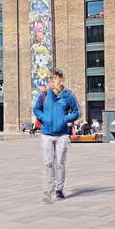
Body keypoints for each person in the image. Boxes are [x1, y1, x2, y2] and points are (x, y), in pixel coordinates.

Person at [33, 68, 80, 202]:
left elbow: (77, 112)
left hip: (62, 135)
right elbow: (36, 109)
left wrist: (66, 119)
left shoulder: (68, 96)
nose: (57, 81)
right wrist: (44, 118)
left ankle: (59, 190)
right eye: (54, 79)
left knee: (60, 162)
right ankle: (50, 187)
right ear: (51, 81)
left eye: (59, 78)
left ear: (62, 80)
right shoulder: (44, 95)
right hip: (46, 134)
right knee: (48, 162)